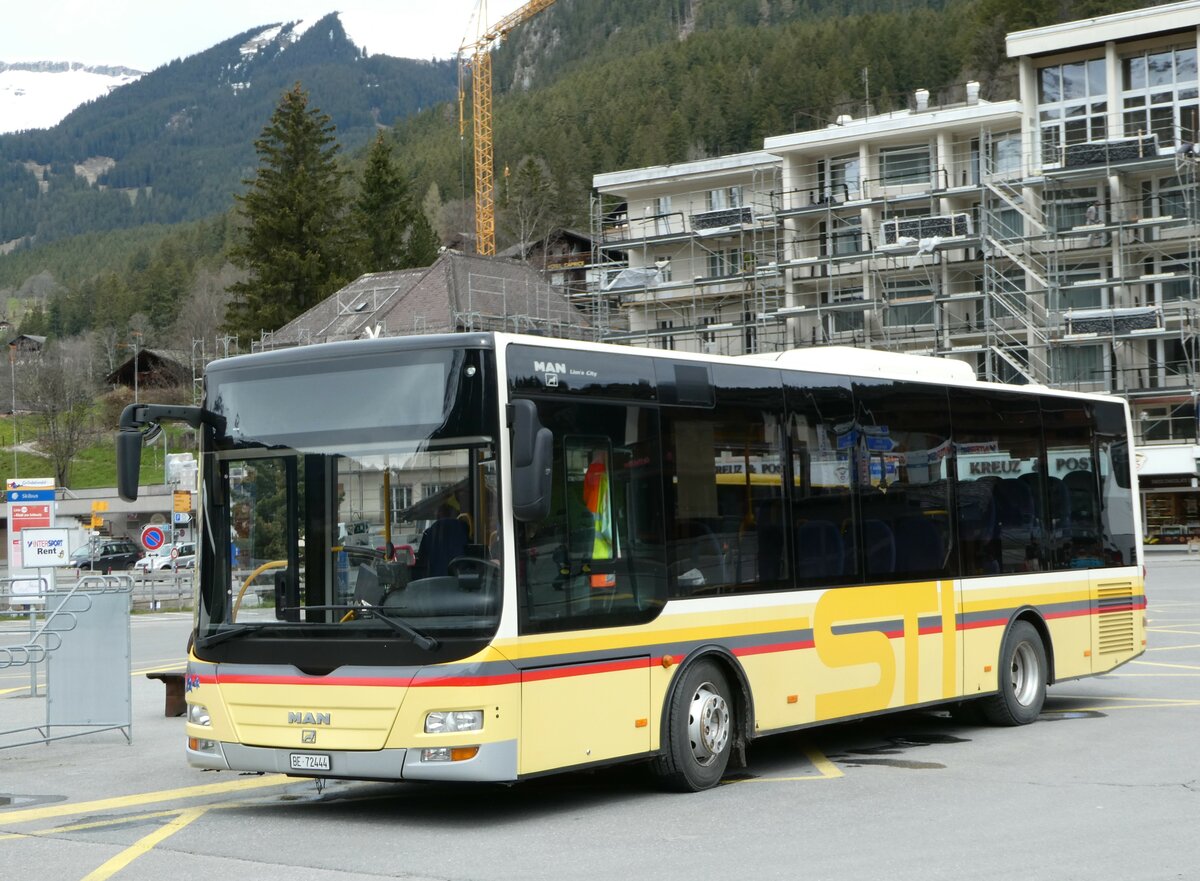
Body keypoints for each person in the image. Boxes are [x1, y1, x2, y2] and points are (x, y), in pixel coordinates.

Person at [412, 503, 468, 579]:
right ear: (455, 515)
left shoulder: (429, 533)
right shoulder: (466, 530)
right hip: (463, 581)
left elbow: (422, 560)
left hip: (435, 582)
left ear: (438, 516)